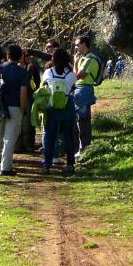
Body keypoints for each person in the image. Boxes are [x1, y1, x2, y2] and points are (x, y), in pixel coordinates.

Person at [0, 44, 32, 176]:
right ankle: (5, 167)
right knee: (9, 138)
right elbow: (23, 93)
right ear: (20, 57)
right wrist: (23, 109)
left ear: (7, 55)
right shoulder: (22, 72)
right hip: (14, 106)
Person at [40, 47, 77, 175]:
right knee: (68, 137)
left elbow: (45, 86)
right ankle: (70, 164)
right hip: (67, 106)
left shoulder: (48, 72)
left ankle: (47, 164)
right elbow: (72, 88)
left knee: (50, 136)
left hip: (52, 106)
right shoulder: (71, 75)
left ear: (53, 59)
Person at [73, 35, 101, 159]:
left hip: (84, 89)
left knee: (83, 119)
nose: (76, 47)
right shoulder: (82, 58)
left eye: (77, 44)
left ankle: (84, 148)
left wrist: (75, 63)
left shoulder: (90, 58)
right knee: (80, 119)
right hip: (80, 88)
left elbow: (78, 75)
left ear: (84, 44)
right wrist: (75, 62)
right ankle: (82, 146)